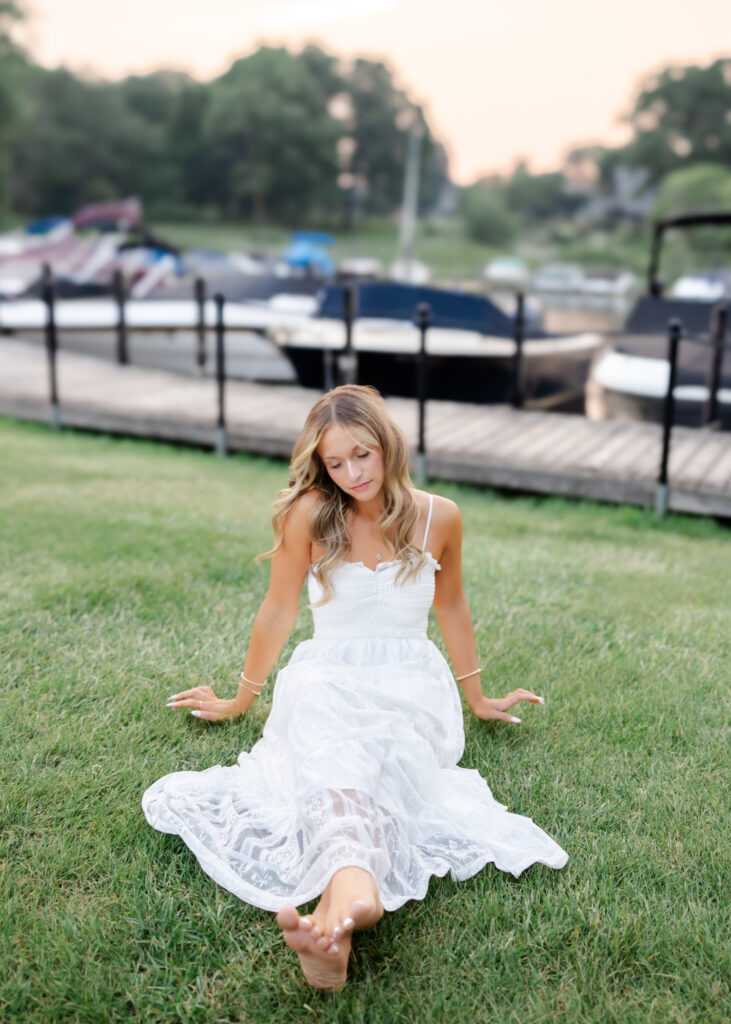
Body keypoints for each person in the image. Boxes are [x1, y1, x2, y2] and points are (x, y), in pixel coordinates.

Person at [142, 384, 568, 992]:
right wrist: (243, 697)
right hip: (327, 676)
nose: (351, 474)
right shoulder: (311, 514)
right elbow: (277, 610)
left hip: (410, 686)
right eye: (334, 463)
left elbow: (452, 606)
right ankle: (344, 914)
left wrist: (477, 697)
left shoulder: (439, 516)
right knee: (338, 767)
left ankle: (339, 917)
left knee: (381, 769)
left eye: (361, 455)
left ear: (388, 444)